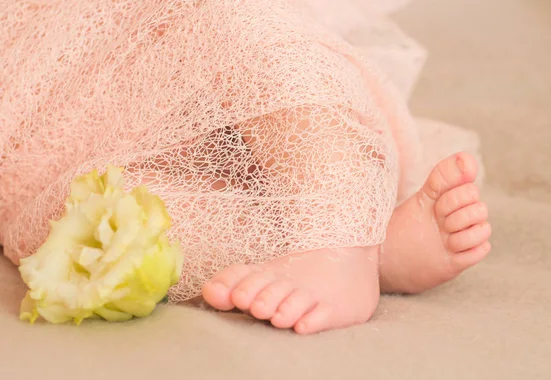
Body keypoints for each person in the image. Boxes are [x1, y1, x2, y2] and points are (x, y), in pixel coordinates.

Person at [0, 0, 490, 333]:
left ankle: (340, 223)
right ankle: (374, 251)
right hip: (40, 142)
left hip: (166, 33)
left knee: (249, 37)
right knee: (94, 220)